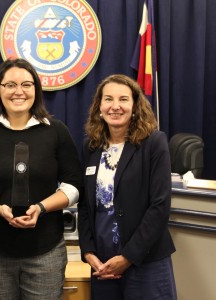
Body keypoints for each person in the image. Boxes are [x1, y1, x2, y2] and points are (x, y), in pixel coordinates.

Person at [0, 58, 82, 300]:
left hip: (45, 251)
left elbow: (74, 185)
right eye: (10, 85)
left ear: (36, 89)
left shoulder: (55, 131)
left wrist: (41, 207)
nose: (19, 91)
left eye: (26, 84)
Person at [78, 74, 177, 299]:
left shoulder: (154, 142)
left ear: (135, 106)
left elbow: (160, 206)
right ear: (99, 107)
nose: (115, 106)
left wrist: (128, 257)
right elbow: (85, 205)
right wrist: (88, 251)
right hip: (103, 262)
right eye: (108, 99)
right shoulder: (90, 147)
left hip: (145, 258)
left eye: (123, 99)